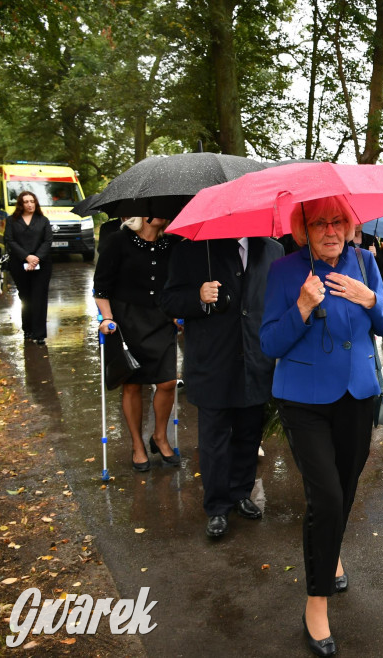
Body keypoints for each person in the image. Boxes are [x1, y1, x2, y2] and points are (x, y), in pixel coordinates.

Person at [259, 196, 383, 656]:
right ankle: (315, 603)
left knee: (347, 486)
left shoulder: (364, 261)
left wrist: (371, 298)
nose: (331, 230)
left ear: (350, 225)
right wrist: (300, 305)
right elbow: (269, 342)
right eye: (320, 223)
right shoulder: (284, 270)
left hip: (358, 393)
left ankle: (330, 548)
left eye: (338, 221)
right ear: (304, 229)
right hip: (303, 399)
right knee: (326, 495)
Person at [160, 235, 284, 538]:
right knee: (214, 439)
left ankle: (242, 493)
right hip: (212, 362)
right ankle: (216, 507)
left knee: (248, 433)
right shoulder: (191, 249)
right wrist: (198, 297)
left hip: (256, 360)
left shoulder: (273, 249)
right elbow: (168, 301)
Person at [93, 216, 180, 471]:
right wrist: (107, 317)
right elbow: (101, 287)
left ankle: (159, 436)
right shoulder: (117, 241)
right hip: (127, 320)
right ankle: (137, 445)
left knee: (167, 382)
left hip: (162, 318)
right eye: (160, 210)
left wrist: (177, 312)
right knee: (132, 385)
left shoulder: (172, 243)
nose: (166, 215)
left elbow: (177, 283)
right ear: (144, 214)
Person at [4, 191, 53, 345]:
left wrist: (36, 258)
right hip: (19, 264)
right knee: (26, 297)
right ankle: (28, 330)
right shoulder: (12, 221)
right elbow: (9, 240)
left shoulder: (43, 220)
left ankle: (39, 334)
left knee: (39, 297)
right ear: (21, 204)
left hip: (42, 264)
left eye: (32, 201)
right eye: (26, 201)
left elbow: (47, 240)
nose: (30, 204)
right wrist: (27, 257)